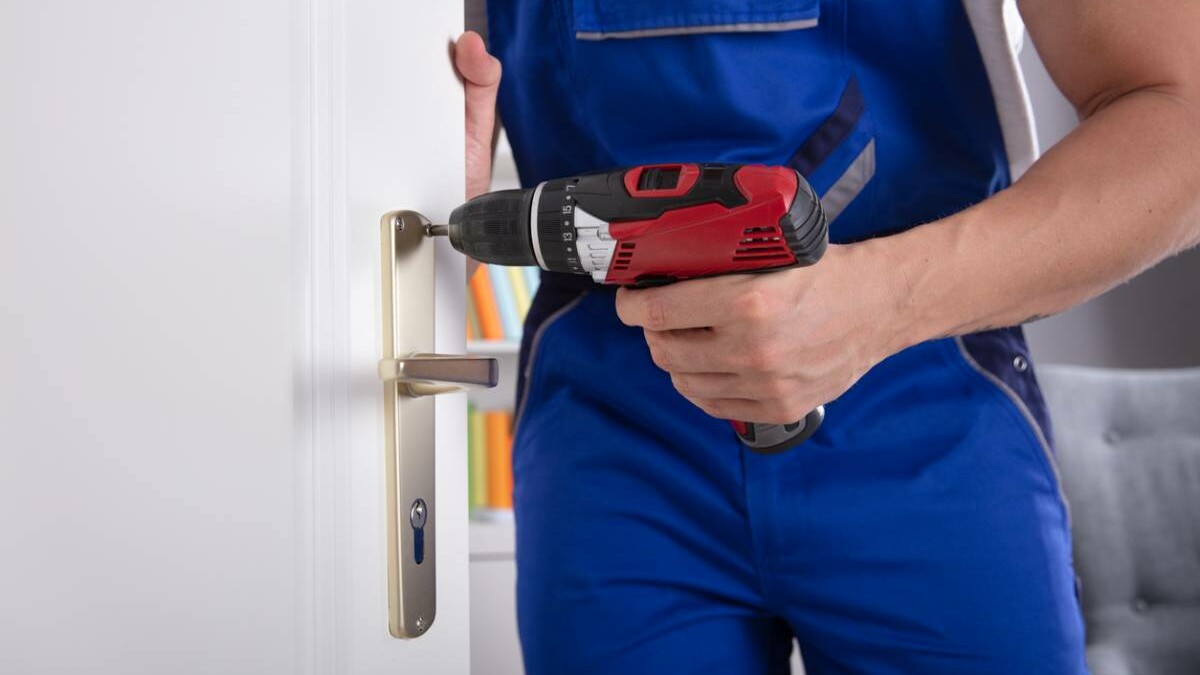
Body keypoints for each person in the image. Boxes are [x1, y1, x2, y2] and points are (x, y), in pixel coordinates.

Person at [454, 1, 1200, 673]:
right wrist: (433, 176)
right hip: (612, 432)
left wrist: (884, 301)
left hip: (925, 404)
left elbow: (1181, 120)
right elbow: (426, 157)